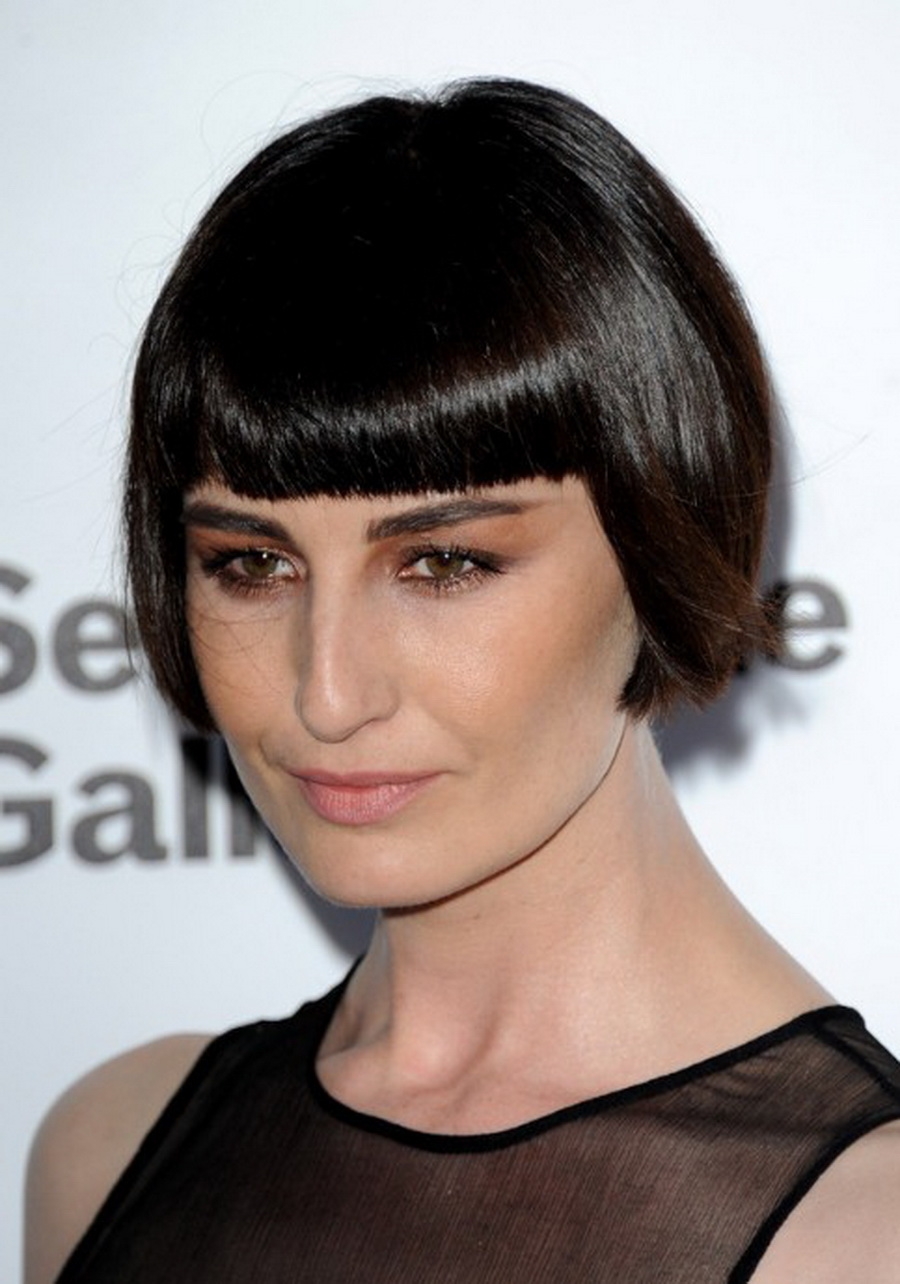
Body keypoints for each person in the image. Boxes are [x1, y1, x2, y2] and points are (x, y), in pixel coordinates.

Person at [25, 78, 900, 1283]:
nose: (327, 695)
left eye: (444, 562)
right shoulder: (108, 1151)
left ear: (663, 540)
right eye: (251, 563)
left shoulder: (862, 1235)